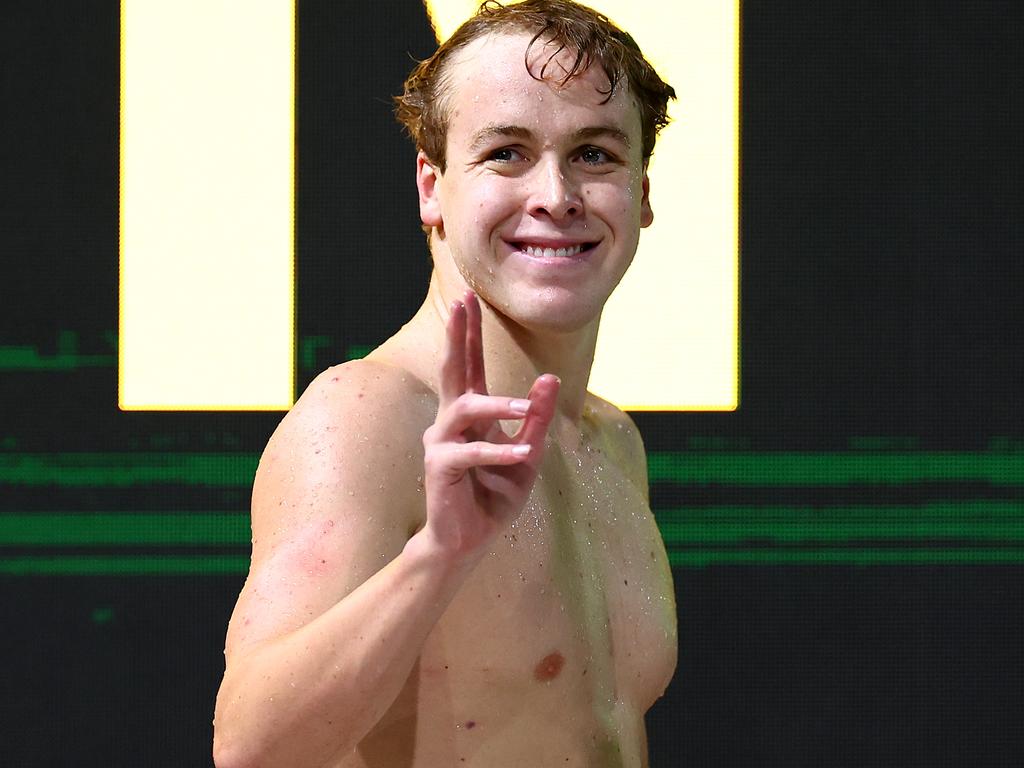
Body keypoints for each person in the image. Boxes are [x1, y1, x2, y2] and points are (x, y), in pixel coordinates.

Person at [213, 1, 678, 765]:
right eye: (507, 153)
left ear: (643, 193)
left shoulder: (611, 440)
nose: (556, 195)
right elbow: (249, 746)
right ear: (431, 186)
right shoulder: (367, 416)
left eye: (595, 154)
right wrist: (439, 555)